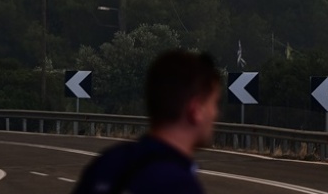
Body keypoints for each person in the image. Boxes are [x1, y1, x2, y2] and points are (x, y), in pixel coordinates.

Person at [72, 50, 221, 194]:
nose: (216, 113)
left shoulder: (106, 163)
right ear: (195, 110)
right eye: (213, 103)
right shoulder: (179, 185)